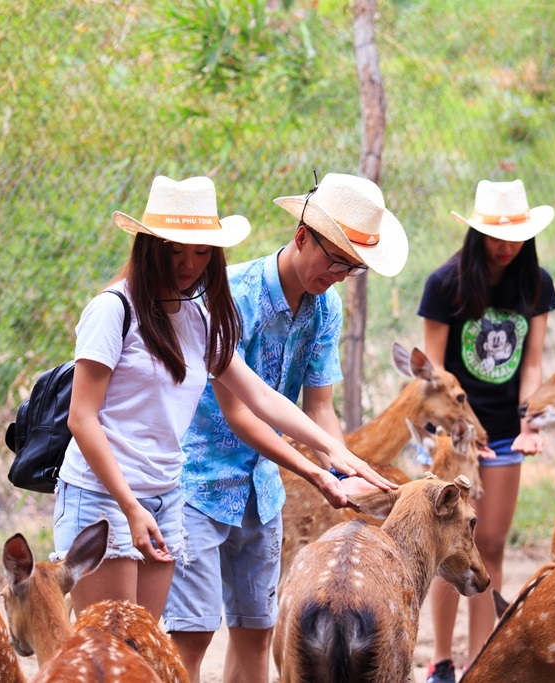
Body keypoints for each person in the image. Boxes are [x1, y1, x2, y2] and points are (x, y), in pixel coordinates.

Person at [53, 175, 393, 623]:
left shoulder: (197, 315)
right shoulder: (113, 309)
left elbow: (260, 397)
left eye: (200, 250)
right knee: (107, 649)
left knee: (143, 651)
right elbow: (82, 419)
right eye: (175, 249)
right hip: (104, 496)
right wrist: (130, 506)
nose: (188, 263)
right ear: (149, 246)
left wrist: (337, 456)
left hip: (163, 496)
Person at [164, 172, 409, 683]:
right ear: (302, 236)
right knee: (192, 637)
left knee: (256, 634)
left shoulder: (326, 308)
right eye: (335, 260)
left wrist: (343, 473)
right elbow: (240, 413)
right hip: (199, 486)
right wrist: (318, 474)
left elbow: (320, 406)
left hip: (261, 490)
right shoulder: (235, 296)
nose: (339, 274)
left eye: (353, 267)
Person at [418, 179, 555, 683]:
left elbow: (533, 363)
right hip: (455, 436)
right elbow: (432, 370)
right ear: (477, 233)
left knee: (490, 545)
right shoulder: (445, 285)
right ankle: (441, 662)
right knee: (447, 548)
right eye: (497, 235)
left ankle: (479, 664)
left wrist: (530, 421)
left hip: (503, 434)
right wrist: (448, 433)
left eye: (517, 234)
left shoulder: (535, 284)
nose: (507, 245)